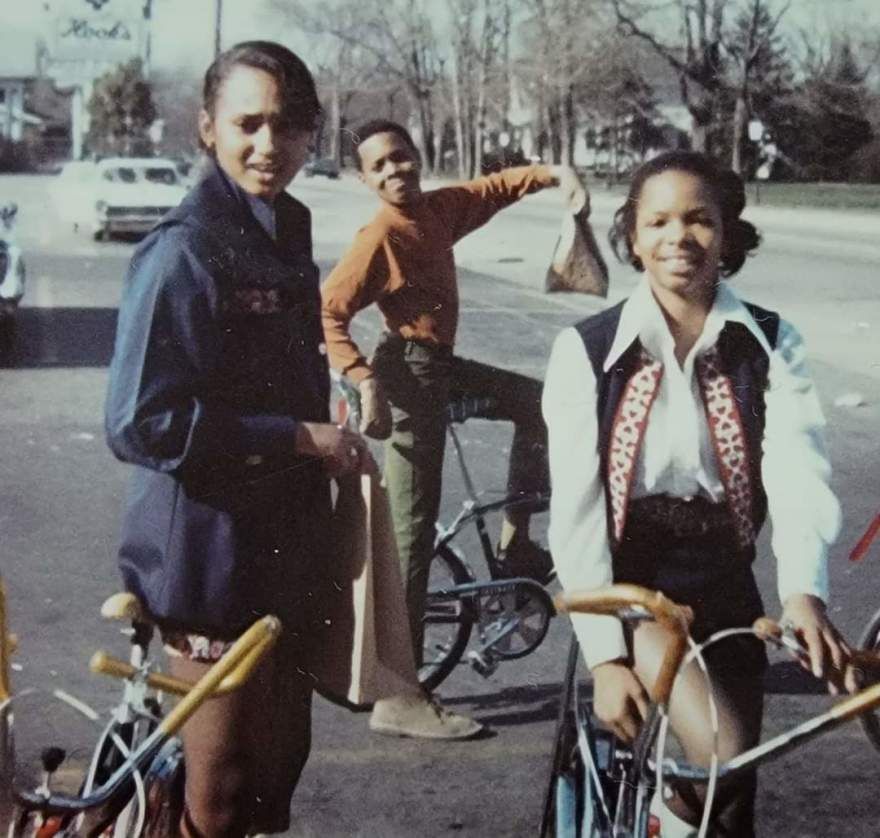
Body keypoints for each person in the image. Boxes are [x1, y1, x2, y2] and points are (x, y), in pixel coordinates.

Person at [542, 150, 857, 836]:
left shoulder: (772, 341)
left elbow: (797, 468)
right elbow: (577, 510)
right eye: (657, 221)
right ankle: (661, 819)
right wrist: (605, 657)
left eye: (698, 220)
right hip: (637, 588)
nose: (677, 238)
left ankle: (672, 818)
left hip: (726, 581)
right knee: (719, 755)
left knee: (734, 791)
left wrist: (803, 593)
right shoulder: (586, 350)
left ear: (728, 232)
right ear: (631, 235)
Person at [105, 41, 372, 837]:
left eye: (289, 125)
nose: (269, 144)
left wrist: (330, 398)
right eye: (248, 123)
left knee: (271, 783)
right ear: (207, 129)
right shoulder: (184, 247)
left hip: (285, 550)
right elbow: (140, 420)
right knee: (216, 797)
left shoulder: (285, 225)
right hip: (209, 559)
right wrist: (298, 436)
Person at [321, 120, 586, 739]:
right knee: (411, 536)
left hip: (441, 367)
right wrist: (362, 379)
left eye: (402, 158)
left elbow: (492, 189)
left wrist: (556, 175)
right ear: (365, 179)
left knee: (541, 405)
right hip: (406, 376)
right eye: (380, 167)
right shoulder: (381, 234)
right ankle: (398, 697)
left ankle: (518, 542)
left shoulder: (438, 209)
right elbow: (329, 308)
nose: (395, 172)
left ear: (418, 157)